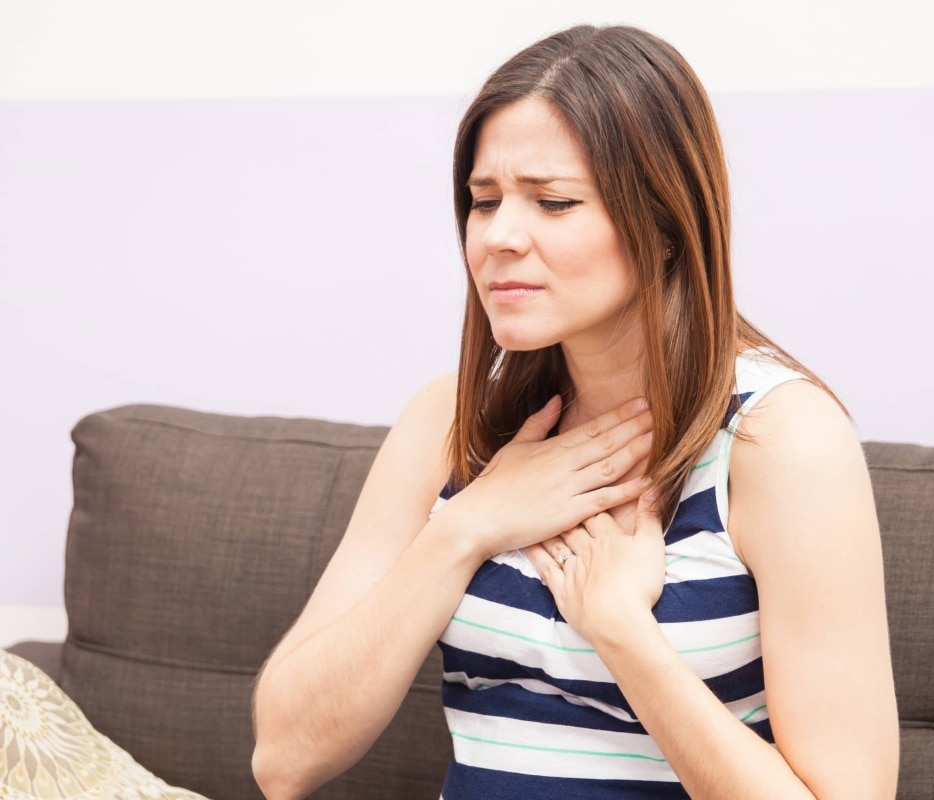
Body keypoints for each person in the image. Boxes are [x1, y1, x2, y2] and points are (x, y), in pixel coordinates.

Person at [251, 23, 898, 800]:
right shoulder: (446, 424)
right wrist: (465, 527)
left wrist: (622, 630)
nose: (499, 237)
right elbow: (282, 760)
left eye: (553, 203)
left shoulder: (782, 440)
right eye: (484, 202)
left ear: (664, 224)